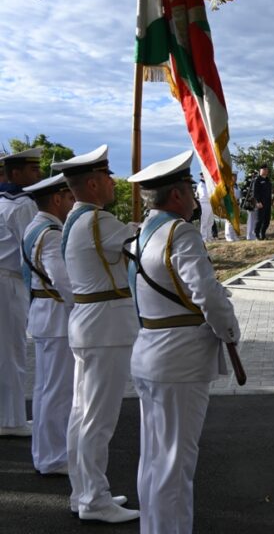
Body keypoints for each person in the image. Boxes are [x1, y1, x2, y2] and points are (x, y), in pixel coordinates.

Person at [126, 151, 240, 534]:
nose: (195, 197)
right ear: (176, 195)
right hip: (179, 359)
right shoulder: (181, 232)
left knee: (155, 459)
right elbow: (205, 292)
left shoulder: (144, 231)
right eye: (191, 189)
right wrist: (230, 331)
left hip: (149, 350)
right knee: (176, 464)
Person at [52, 145, 140, 523]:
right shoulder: (97, 222)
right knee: (97, 419)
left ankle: (84, 492)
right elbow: (139, 242)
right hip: (104, 326)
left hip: (91, 323)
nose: (113, 181)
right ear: (92, 182)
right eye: (107, 176)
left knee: (82, 414)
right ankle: (93, 499)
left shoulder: (76, 219)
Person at [22, 174, 76, 475]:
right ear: (57, 199)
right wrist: (81, 306)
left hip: (44, 313)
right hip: (57, 316)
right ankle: (55, 457)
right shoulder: (52, 233)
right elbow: (63, 280)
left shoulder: (34, 226)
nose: (71, 204)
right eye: (68, 198)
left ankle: (44, 454)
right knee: (58, 392)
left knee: (45, 390)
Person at [0, 147, 42, 437]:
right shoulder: (24, 205)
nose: (38, 175)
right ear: (16, 174)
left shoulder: (3, 201)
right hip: (10, 281)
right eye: (32, 170)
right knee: (12, 352)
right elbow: (33, 250)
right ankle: (12, 420)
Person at [252, 164, 272, 240]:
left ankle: (263, 233)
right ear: (260, 170)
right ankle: (257, 234)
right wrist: (258, 202)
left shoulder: (268, 180)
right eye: (264, 169)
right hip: (260, 203)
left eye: (266, 169)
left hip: (268, 203)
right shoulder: (257, 180)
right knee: (260, 220)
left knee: (267, 220)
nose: (265, 170)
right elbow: (255, 193)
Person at [196, 173, 213, 241]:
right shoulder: (201, 185)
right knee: (204, 222)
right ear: (202, 176)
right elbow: (204, 195)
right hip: (204, 204)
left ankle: (209, 237)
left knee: (210, 221)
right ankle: (203, 238)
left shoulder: (207, 184)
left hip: (210, 203)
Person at [224, 173, 241, 242]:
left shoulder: (236, 186)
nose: (235, 178)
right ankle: (228, 236)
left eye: (236, 176)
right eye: (234, 176)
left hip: (236, 204)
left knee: (235, 221)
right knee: (229, 221)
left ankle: (234, 235)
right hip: (229, 204)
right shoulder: (227, 186)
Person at [241, 171, 257, 241]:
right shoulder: (248, 182)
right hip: (249, 204)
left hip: (255, 203)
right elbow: (245, 192)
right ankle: (249, 236)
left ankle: (253, 234)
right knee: (250, 220)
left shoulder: (254, 182)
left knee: (255, 219)